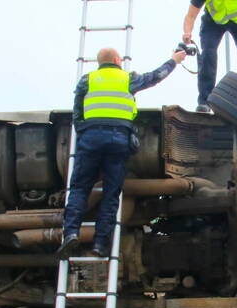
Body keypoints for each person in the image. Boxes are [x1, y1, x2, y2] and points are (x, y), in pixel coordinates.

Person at [58, 46, 187, 260]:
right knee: (111, 193)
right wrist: (174, 60)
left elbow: (77, 113)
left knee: (80, 188)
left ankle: (71, 233)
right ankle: (100, 244)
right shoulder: (127, 79)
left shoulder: (87, 80)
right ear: (118, 60)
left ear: (99, 63)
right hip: (118, 138)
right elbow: (156, 77)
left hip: (91, 137)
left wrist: (85, 132)